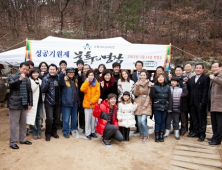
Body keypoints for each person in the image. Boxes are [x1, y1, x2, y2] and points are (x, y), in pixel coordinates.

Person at [8, 62, 33, 149]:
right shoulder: (13, 76)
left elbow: (29, 91)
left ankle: (22, 139)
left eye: (27, 69)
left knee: (23, 123)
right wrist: (20, 79)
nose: (25, 71)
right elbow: (11, 85)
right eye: (24, 69)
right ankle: (13, 142)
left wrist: (30, 103)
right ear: (19, 68)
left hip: (24, 103)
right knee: (14, 124)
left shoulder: (27, 78)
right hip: (14, 103)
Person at [186, 63, 210, 141]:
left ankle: (202, 134)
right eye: (197, 68)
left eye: (200, 68)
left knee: (202, 119)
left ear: (203, 69)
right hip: (192, 102)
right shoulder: (192, 78)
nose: (198, 69)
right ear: (194, 69)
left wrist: (203, 102)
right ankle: (195, 132)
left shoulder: (206, 78)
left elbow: (206, 91)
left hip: (201, 102)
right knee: (194, 118)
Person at [41, 64, 61, 141]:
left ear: (56, 70)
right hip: (49, 101)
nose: (52, 71)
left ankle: (54, 132)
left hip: (57, 101)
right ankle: (48, 133)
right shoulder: (45, 78)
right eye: (51, 69)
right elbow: (42, 90)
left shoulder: (59, 77)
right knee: (49, 118)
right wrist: (47, 83)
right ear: (48, 70)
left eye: (54, 69)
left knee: (56, 118)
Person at [59, 68, 79, 138]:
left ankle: (73, 130)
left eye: (72, 72)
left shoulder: (75, 80)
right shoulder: (64, 79)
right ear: (67, 73)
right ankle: (65, 131)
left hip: (75, 102)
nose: (71, 73)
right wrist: (62, 74)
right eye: (69, 72)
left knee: (74, 118)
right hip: (66, 102)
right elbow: (60, 83)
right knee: (66, 119)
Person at [150, 73, 171, 142]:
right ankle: (157, 135)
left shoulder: (168, 86)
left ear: (164, 78)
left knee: (163, 121)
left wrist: (169, 107)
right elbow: (152, 96)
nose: (160, 78)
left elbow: (170, 97)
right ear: (157, 79)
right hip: (157, 106)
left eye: (162, 77)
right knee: (157, 121)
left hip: (165, 106)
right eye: (159, 77)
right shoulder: (155, 86)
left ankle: (161, 134)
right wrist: (152, 88)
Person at [80, 70, 100, 140]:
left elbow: (98, 94)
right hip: (87, 104)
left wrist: (92, 101)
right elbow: (82, 89)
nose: (91, 76)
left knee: (93, 119)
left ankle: (92, 131)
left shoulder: (97, 83)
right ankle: (87, 133)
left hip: (94, 104)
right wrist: (86, 82)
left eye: (92, 75)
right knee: (87, 120)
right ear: (87, 76)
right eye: (89, 75)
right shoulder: (86, 83)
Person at [134, 69, 153, 143]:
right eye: (141, 75)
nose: (142, 76)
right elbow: (136, 94)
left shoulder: (150, 84)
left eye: (144, 75)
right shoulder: (137, 83)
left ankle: (146, 135)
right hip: (138, 101)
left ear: (146, 76)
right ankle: (141, 133)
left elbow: (149, 96)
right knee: (138, 121)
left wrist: (145, 105)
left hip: (146, 102)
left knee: (143, 121)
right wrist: (137, 86)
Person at [208, 62, 222, 145]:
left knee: (219, 123)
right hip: (213, 103)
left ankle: (217, 139)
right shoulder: (215, 77)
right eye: (212, 67)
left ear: (220, 67)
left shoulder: (217, 77)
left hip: (220, 104)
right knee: (214, 122)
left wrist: (214, 78)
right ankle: (214, 136)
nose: (214, 69)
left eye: (216, 67)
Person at [26, 68, 43, 140]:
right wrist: (36, 83)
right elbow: (30, 90)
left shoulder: (40, 80)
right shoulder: (29, 81)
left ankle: (39, 131)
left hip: (40, 101)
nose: (36, 74)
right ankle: (34, 131)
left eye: (37, 73)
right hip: (32, 102)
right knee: (33, 117)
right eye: (34, 73)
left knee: (39, 117)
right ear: (31, 74)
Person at [173, 65, 189, 135]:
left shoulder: (185, 79)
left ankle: (184, 129)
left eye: (179, 70)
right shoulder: (173, 79)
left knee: (183, 116)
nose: (178, 72)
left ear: (182, 71)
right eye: (177, 70)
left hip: (183, 100)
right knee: (176, 116)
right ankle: (175, 128)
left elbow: (187, 90)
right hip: (175, 101)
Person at [131, 60, 144, 134]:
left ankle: (142, 128)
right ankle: (137, 128)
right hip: (135, 96)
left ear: (142, 66)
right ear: (135, 66)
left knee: (142, 112)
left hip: (143, 96)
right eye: (137, 65)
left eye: (140, 65)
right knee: (136, 112)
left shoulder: (145, 74)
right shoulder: (133, 74)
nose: (139, 66)